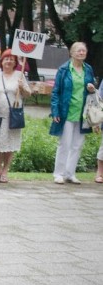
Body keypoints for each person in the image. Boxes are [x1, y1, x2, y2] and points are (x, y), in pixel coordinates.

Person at [50, 41, 97, 184]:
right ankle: (59, 173)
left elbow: (92, 89)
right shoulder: (64, 69)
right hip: (67, 112)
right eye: (78, 50)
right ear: (71, 53)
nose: (81, 53)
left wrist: (91, 88)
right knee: (64, 143)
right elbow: (56, 92)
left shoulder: (88, 69)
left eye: (83, 50)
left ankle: (70, 173)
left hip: (83, 113)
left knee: (77, 144)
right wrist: (55, 111)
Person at [0, 48, 31, 183]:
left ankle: (5, 171)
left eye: (12, 59)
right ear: (2, 61)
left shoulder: (19, 75)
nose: (9, 61)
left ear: (15, 62)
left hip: (13, 116)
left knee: (10, 144)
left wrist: (22, 87)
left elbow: (28, 93)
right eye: (6, 59)